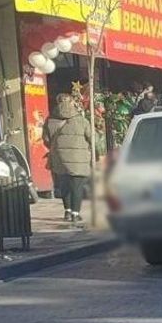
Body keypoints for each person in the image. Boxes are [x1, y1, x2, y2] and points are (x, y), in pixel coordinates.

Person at [42, 93, 92, 225]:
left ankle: (67, 211)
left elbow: (46, 140)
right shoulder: (81, 120)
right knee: (77, 186)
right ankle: (76, 214)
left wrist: (57, 148)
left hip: (58, 158)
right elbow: (92, 138)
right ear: (71, 102)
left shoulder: (50, 120)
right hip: (78, 159)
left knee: (64, 185)